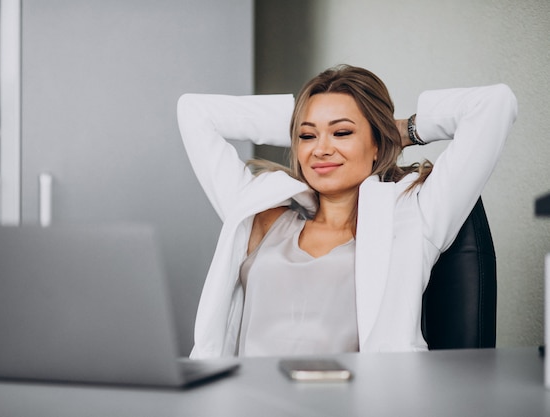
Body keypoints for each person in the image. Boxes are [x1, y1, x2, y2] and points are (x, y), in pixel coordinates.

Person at [177, 64, 517, 359]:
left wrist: (399, 129)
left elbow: (493, 105)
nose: (321, 149)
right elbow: (195, 112)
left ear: (376, 144)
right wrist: (306, 119)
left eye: (342, 132)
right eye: (307, 136)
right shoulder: (262, 217)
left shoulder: (414, 216)